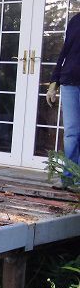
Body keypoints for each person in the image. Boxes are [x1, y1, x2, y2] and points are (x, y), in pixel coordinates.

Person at [47, 12, 80, 191]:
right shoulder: (76, 20)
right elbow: (64, 53)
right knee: (71, 133)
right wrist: (54, 83)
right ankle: (68, 178)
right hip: (70, 83)